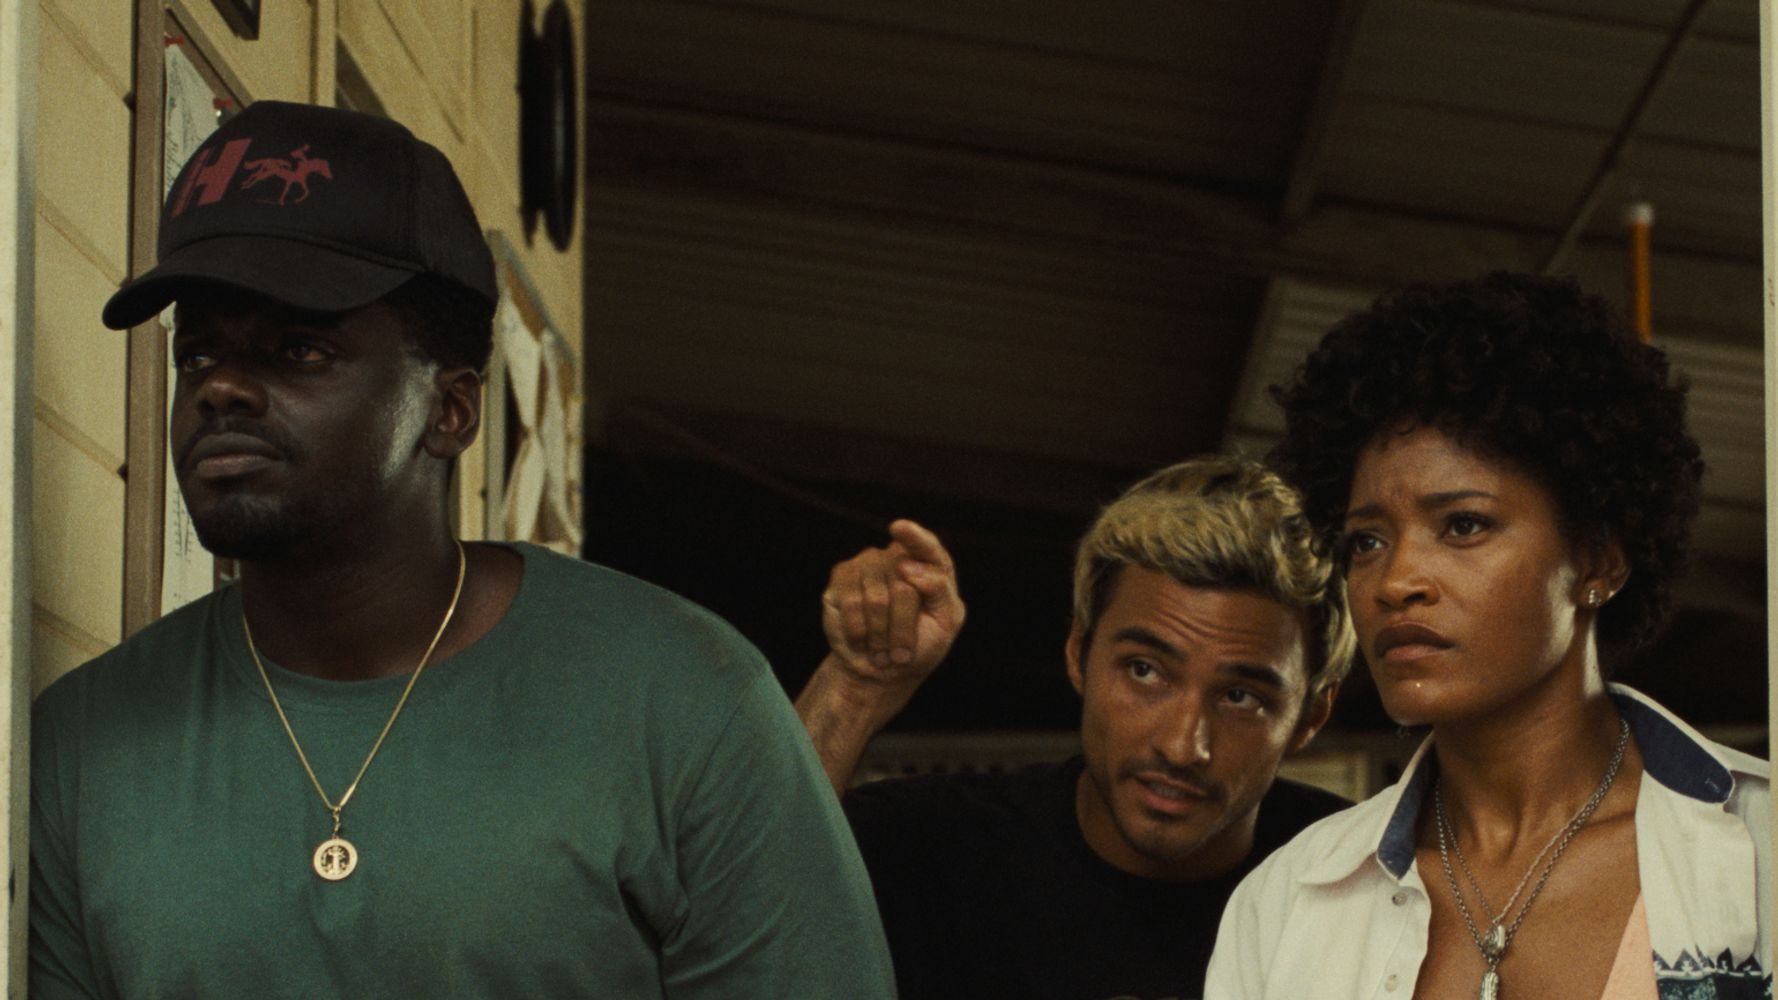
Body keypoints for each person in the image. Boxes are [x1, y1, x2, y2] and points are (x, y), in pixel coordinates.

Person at [30, 100, 894, 999]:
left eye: (299, 348)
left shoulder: (685, 702)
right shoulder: (82, 750)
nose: (224, 391)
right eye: (199, 355)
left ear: (450, 410)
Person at [1205, 272, 1772, 998]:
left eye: (1464, 525)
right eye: (1367, 541)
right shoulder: (1287, 904)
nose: (1396, 580)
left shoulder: (1762, 850)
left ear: (1598, 560)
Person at [795, 456, 1358, 1000]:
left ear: (1310, 716)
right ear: (1077, 653)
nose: (1182, 746)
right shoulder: (930, 850)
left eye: (1240, 697)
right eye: (1145, 671)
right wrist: (855, 688)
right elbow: (747, 903)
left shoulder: (1365, 883)